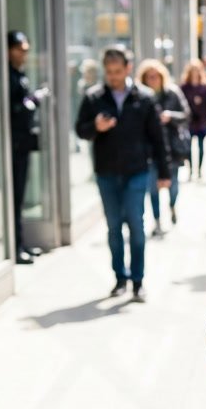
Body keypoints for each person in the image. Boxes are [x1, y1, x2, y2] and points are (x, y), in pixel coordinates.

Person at [75, 47, 171, 301]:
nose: (113, 77)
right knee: (114, 227)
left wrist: (164, 171)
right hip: (106, 173)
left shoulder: (145, 97)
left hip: (136, 172)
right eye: (109, 72)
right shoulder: (94, 96)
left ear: (128, 68)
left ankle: (138, 281)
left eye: (117, 71)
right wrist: (95, 127)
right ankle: (120, 278)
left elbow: (157, 138)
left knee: (136, 226)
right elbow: (80, 130)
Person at [135, 58, 190, 233]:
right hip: (150, 150)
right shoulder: (141, 97)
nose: (153, 80)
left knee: (173, 186)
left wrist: (170, 116)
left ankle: (172, 206)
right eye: (149, 77)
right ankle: (157, 220)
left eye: (156, 76)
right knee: (153, 188)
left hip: (171, 148)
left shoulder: (172, 93)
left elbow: (186, 114)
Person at [7, 31, 43, 264]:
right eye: (20, 49)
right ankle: (15, 245)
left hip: (21, 145)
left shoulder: (18, 74)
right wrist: (35, 100)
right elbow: (17, 108)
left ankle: (20, 243)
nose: (24, 54)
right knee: (15, 197)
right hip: (13, 145)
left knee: (20, 197)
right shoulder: (8, 76)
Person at [180, 59, 206, 179]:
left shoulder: (204, 86)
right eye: (192, 70)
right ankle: (190, 170)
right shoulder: (184, 87)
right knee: (189, 147)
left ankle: (199, 170)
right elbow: (181, 103)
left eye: (197, 70)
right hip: (189, 121)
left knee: (201, 147)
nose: (195, 73)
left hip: (201, 120)